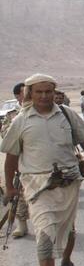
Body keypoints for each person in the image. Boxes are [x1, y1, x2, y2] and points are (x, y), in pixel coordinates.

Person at [1, 73, 84, 266]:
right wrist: (10, 187)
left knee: (69, 230)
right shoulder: (21, 120)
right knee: (45, 236)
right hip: (37, 187)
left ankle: (66, 261)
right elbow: (11, 158)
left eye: (48, 91)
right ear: (30, 93)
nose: (44, 96)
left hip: (68, 182)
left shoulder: (67, 115)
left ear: (54, 92)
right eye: (39, 92)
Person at [1, 82, 30, 238]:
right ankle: (22, 226)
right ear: (18, 96)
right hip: (20, 163)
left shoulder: (40, 110)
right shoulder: (12, 115)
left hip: (40, 161)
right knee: (19, 197)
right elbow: (5, 135)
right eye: (26, 91)